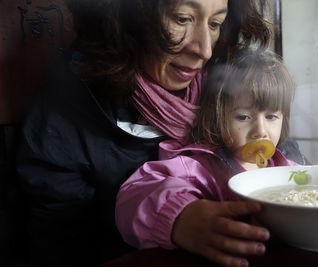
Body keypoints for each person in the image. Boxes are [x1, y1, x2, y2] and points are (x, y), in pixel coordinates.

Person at [15, 0, 274, 266]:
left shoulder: (229, 86)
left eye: (215, 24)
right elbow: (60, 243)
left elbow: (278, 153)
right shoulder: (67, 108)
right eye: (182, 19)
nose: (204, 50)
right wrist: (175, 223)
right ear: (127, 19)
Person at [115, 48, 298, 267]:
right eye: (243, 116)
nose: (260, 130)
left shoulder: (288, 169)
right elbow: (136, 192)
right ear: (218, 116)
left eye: (271, 117)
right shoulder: (198, 169)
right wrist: (179, 217)